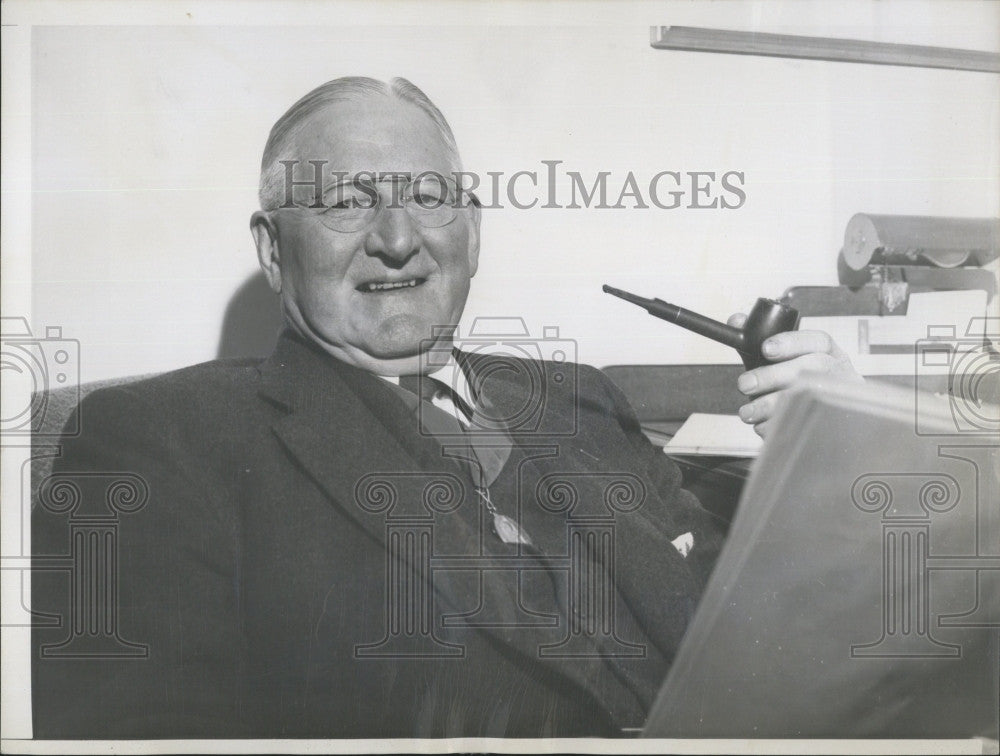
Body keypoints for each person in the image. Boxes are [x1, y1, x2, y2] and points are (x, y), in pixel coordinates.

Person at [31, 76, 861, 739]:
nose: (398, 236)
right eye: (347, 201)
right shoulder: (157, 442)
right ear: (272, 248)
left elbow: (758, 633)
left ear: (472, 228)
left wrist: (833, 466)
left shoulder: (576, 398)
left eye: (429, 196)